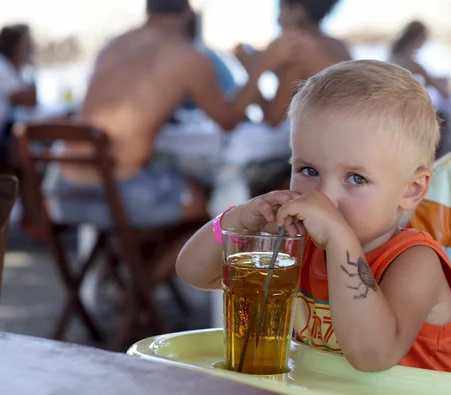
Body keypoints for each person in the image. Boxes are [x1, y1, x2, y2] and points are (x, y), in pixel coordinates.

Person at [176, 60, 451, 372]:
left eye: (356, 178)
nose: (324, 197)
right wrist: (241, 219)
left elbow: (373, 355)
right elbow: (193, 272)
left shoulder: (415, 263)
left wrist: (338, 240)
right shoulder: (297, 246)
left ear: (412, 190)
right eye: (308, 170)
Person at [43, 0, 290, 229]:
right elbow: (229, 120)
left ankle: (127, 269)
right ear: (188, 11)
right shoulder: (188, 56)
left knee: (178, 183)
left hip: (62, 190)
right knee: (213, 212)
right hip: (116, 195)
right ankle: (145, 277)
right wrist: (258, 69)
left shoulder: (114, 45)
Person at [234, 0, 351, 127]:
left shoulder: (297, 54)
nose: (278, 20)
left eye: (281, 10)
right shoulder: (338, 46)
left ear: (298, 12)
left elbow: (272, 121)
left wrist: (253, 69)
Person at [0, 24, 36, 168]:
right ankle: (33, 189)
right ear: (15, 46)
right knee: (28, 149)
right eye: (27, 45)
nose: (31, 49)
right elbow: (30, 101)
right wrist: (32, 68)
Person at [389, 20, 450, 98]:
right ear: (417, 37)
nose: (425, 40)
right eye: (424, 36)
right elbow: (432, 83)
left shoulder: (397, 54)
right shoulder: (407, 60)